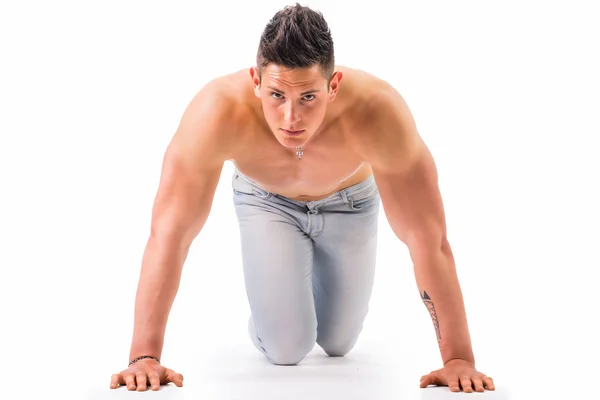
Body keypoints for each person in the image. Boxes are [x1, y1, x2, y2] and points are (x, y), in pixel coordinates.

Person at [110, 3, 495, 394]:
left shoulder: (378, 113)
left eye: (308, 97)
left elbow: (428, 240)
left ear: (333, 85)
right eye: (276, 94)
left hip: (351, 202)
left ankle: (288, 299)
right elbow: (169, 234)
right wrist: (144, 356)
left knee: (338, 342)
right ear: (255, 81)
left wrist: (458, 358)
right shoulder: (215, 114)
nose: (290, 118)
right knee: (286, 347)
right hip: (267, 202)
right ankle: (273, 311)